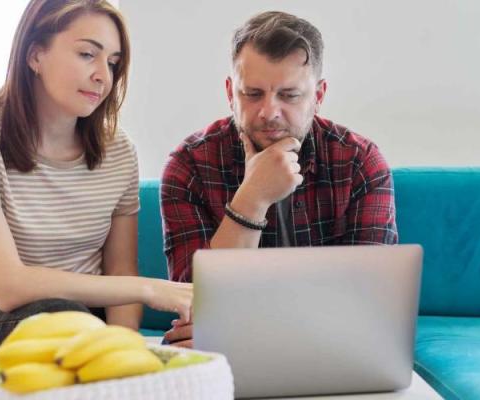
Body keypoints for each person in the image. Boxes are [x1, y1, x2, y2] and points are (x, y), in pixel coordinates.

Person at [0, 0, 191, 381]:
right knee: (59, 317)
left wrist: (124, 355)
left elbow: (120, 268)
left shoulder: (118, 150)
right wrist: (151, 290)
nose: (104, 75)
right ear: (35, 54)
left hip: (88, 323)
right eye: (88, 54)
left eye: (113, 62)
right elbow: (7, 286)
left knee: (84, 331)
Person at [160, 11, 398, 348]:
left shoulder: (360, 162)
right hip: (256, 349)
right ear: (231, 92)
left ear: (319, 95)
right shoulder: (190, 165)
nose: (269, 112)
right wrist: (253, 199)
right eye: (253, 94)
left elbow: (368, 307)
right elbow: (197, 304)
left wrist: (241, 328)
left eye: (289, 95)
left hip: (323, 349)